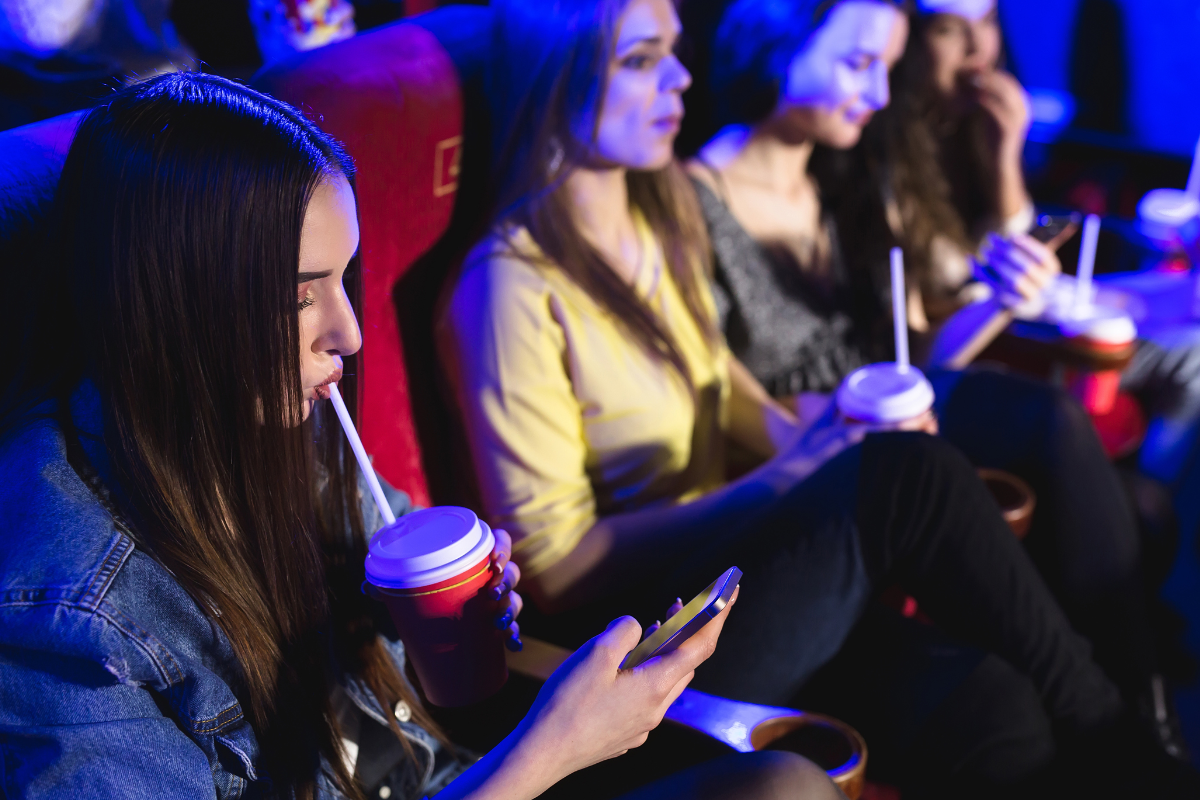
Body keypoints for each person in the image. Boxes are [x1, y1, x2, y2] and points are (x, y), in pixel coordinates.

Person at [0, 71, 845, 800]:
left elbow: (417, 643)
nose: (349, 332)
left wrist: (437, 613)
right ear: (175, 306)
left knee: (794, 781)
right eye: (301, 294)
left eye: (345, 279)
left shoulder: (275, 418)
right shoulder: (63, 619)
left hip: (443, 770)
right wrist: (548, 751)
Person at [437, 0, 1196, 796]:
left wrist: (823, 433)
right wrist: (791, 474)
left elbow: (722, 389)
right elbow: (558, 570)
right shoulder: (505, 288)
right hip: (642, 637)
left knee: (993, 704)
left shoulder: (653, 213)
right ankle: (1133, 751)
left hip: (735, 571)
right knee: (908, 473)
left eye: (676, 52)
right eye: (641, 59)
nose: (680, 77)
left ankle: (1125, 740)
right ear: (553, 79)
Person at [688, 0, 1186, 765]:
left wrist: (993, 298)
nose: (882, 94)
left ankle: (1138, 707)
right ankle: (1131, 726)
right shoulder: (693, 201)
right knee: (1045, 422)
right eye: (859, 65)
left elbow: (909, 349)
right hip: (816, 457)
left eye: (886, 69)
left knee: (1062, 435)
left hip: (897, 417)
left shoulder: (836, 169)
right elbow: (709, 397)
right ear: (776, 46)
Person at [847, 0, 1200, 493]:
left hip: (1016, 310)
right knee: (1188, 361)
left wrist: (1007, 154)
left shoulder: (974, 126)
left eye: (988, 22)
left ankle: (1148, 499)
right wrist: (1005, 285)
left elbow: (1014, 246)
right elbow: (934, 317)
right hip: (980, 339)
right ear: (905, 42)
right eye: (950, 30)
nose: (978, 48)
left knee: (1188, 329)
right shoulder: (875, 146)